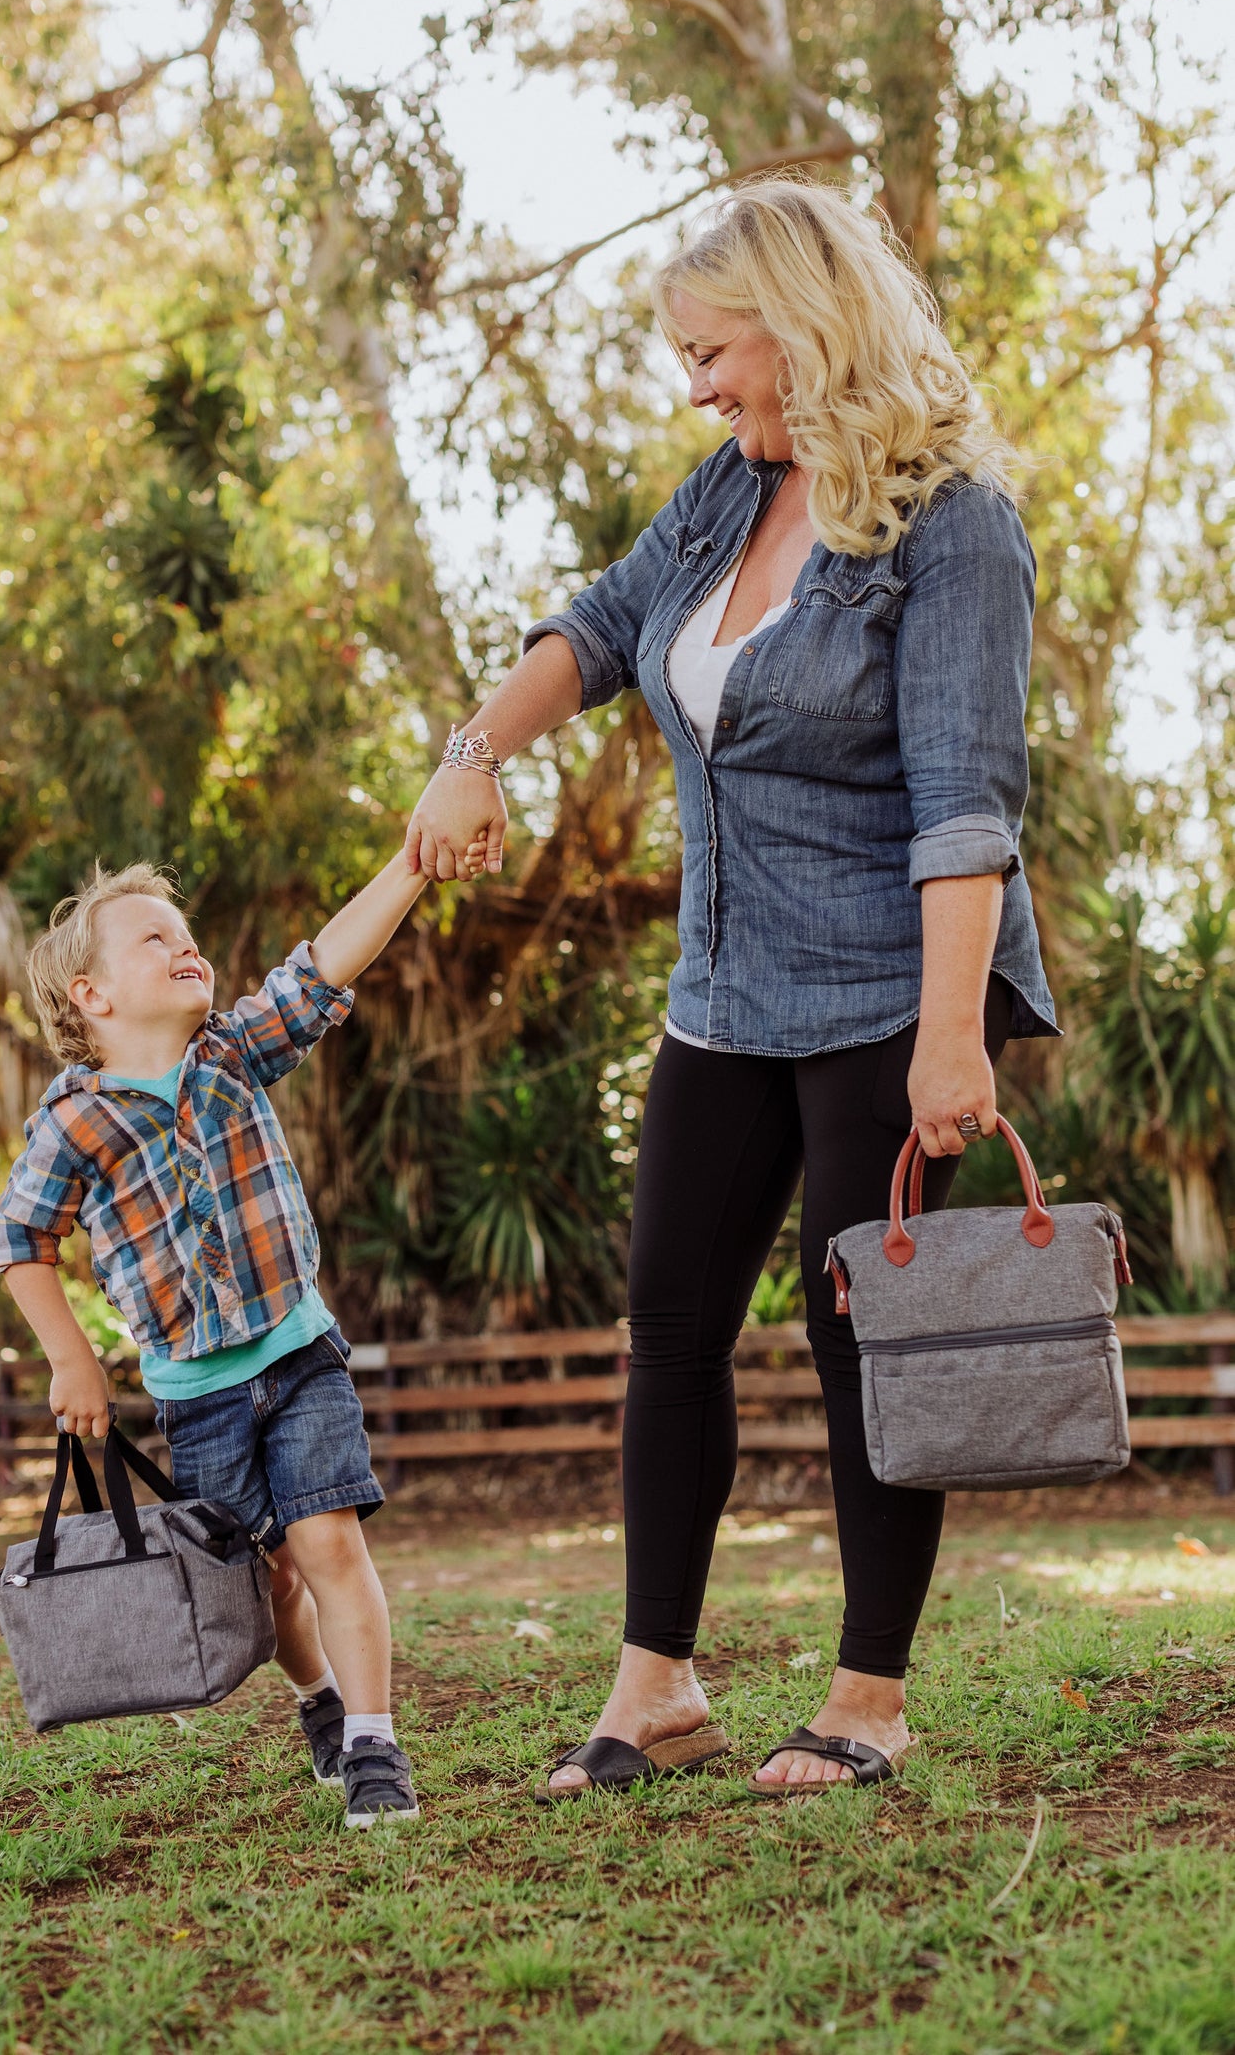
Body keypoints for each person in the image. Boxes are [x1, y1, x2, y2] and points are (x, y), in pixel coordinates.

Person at [406, 179, 1058, 1796]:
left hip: (882, 1000)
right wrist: (477, 751)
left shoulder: (951, 523)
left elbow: (966, 805)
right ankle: (658, 1685)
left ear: (803, 324)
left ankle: (866, 1700)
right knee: (672, 1333)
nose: (697, 384)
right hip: (724, 992)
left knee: (872, 1349)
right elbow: (606, 627)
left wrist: (951, 1037)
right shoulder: (725, 494)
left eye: (712, 351)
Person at [0, 851, 477, 1827]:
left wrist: (415, 863)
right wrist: (70, 1357)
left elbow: (324, 967)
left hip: (298, 1356)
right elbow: (16, 1236)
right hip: (194, 1392)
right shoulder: (75, 1122)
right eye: (153, 939)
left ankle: (375, 1748)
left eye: (185, 934)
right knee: (268, 1579)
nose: (185, 946)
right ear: (91, 995)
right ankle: (320, 1703)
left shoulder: (230, 1052)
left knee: (327, 1542)